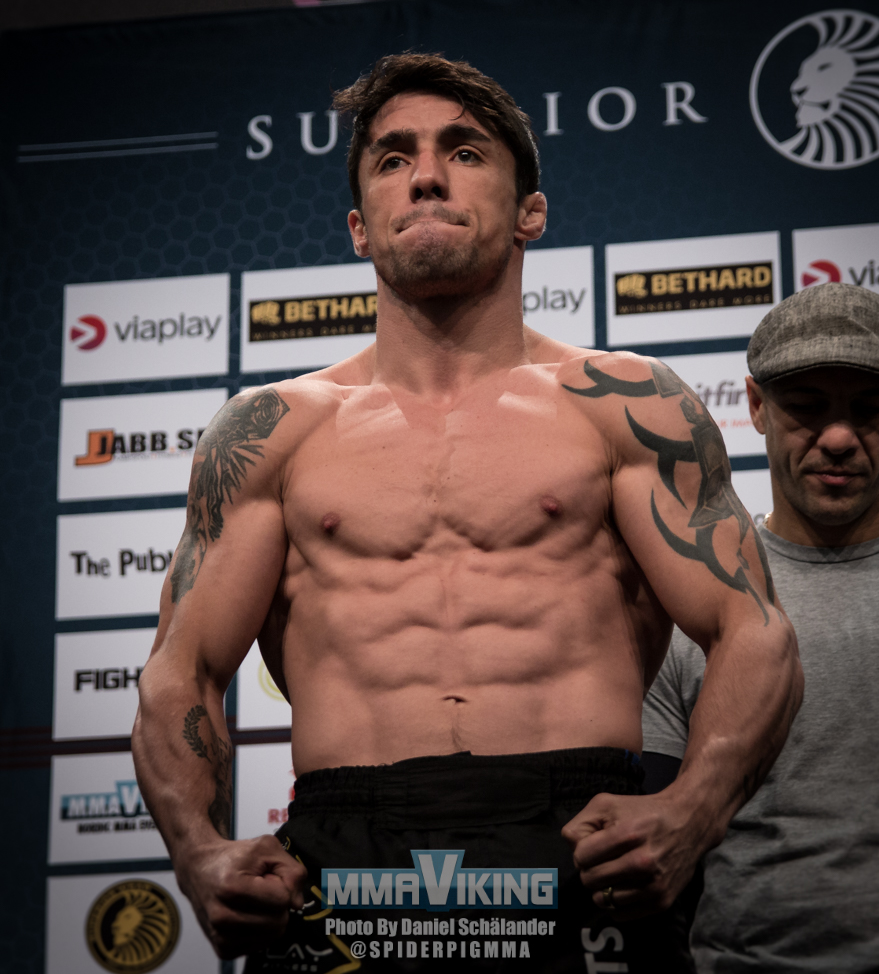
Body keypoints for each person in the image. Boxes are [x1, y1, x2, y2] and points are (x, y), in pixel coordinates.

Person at [131, 53, 802, 973]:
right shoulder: (269, 431)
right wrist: (197, 852)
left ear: (531, 212)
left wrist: (692, 810)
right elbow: (183, 671)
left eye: (464, 151)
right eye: (391, 157)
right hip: (345, 848)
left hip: (577, 842)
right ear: (359, 226)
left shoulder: (627, 403)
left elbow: (752, 630)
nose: (426, 175)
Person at [641, 281, 879, 973]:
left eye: (868, 410)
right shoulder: (695, 604)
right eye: (806, 407)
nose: (839, 438)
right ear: (753, 407)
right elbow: (655, 844)